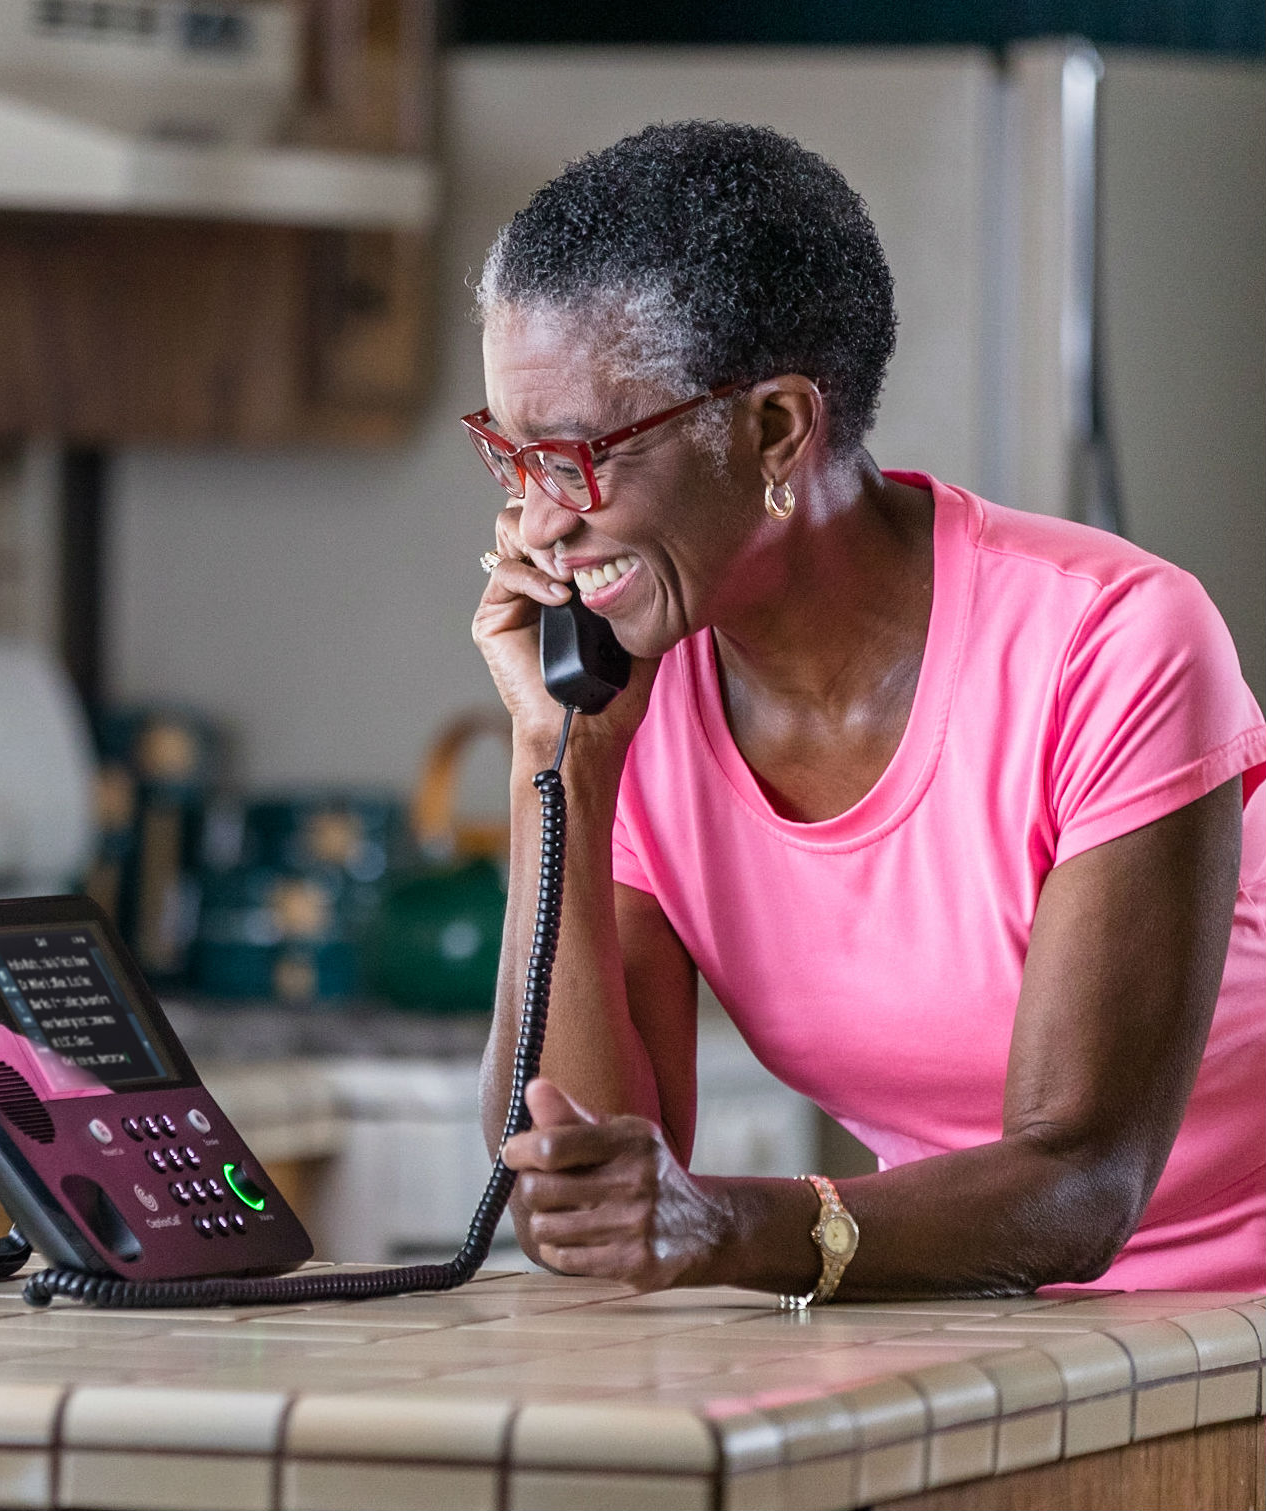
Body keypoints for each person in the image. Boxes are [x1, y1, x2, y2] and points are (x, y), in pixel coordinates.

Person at [467, 120, 1265, 1301]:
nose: (537, 525)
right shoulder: (636, 694)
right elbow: (573, 1193)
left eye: (577, 460)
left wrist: (726, 1226)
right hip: (963, 1318)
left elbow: (1080, 1182)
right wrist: (560, 763)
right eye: (508, 456)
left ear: (776, 429)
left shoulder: (1113, 640)